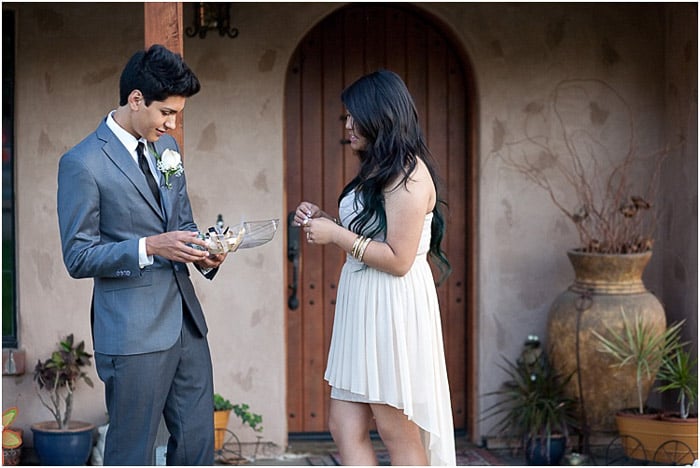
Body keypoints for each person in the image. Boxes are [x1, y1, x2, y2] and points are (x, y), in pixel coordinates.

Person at [57, 44, 226, 465]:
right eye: (166, 113)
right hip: (131, 333)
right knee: (131, 454)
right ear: (136, 99)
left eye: (177, 115)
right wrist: (148, 246)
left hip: (186, 325)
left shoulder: (167, 152)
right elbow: (78, 256)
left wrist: (204, 253)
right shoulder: (82, 163)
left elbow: (182, 225)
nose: (171, 124)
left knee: (196, 448)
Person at [294, 70, 456, 466]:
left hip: (392, 308)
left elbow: (399, 259)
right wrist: (326, 218)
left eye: (354, 117)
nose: (348, 126)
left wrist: (335, 234)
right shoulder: (377, 168)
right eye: (345, 118)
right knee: (343, 424)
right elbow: (370, 233)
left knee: (395, 429)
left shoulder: (409, 176)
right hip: (361, 307)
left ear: (380, 117)